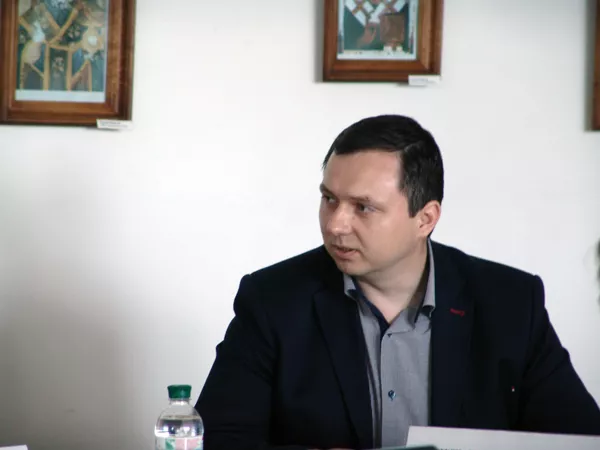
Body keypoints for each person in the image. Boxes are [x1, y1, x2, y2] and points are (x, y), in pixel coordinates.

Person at [195, 115, 600, 450]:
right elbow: (219, 440)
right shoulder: (272, 300)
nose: (335, 225)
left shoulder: (510, 303)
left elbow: (579, 440)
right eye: (329, 199)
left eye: (363, 207)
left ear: (425, 219)